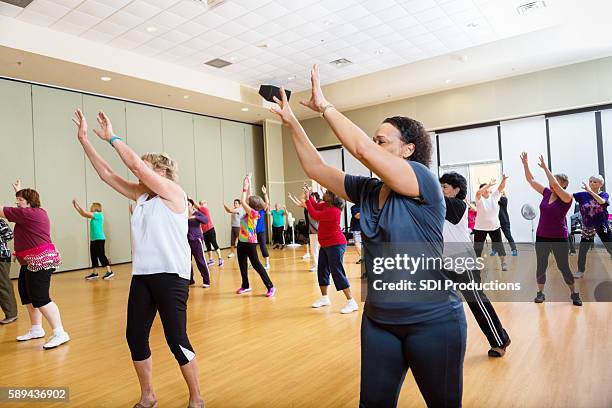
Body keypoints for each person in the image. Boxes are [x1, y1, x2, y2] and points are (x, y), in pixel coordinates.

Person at [271, 64, 466, 407]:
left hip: (434, 321)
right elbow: (316, 168)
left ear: (408, 150)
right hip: (379, 322)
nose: (372, 146)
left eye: (382, 141)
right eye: (373, 140)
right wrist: (291, 122)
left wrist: (325, 106)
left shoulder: (423, 182)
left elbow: (361, 149)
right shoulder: (366, 189)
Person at [73, 109, 203, 408]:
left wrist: (112, 138)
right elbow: (107, 174)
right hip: (143, 276)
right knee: (135, 336)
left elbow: (134, 166)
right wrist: (84, 141)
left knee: (176, 339)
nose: (137, 171)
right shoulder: (141, 197)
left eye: (145, 167)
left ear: (162, 172)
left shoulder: (174, 193)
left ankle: (196, 397)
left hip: (172, 276)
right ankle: (148, 395)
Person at [440, 172, 511, 357]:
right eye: (440, 186)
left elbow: (430, 198)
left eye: (444, 187)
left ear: (456, 190)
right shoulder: (440, 206)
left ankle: (500, 340)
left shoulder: (457, 205)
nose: (441, 190)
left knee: (476, 301)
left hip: (463, 260)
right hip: (445, 261)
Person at [0, 180, 68, 349]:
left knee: (41, 298)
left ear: (29, 202)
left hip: (41, 260)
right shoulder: (31, 212)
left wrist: (20, 197)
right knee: (27, 295)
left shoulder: (29, 213)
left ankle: (60, 332)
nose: (16, 203)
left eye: (20, 200)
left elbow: (1, 210)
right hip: (30, 261)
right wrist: (19, 192)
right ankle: (37, 329)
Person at [520, 152, 582, 306]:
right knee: (541, 265)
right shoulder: (546, 193)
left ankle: (574, 293)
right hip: (542, 236)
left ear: (564, 185)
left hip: (559, 237)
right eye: (554, 180)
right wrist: (525, 164)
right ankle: (540, 293)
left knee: (563, 266)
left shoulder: (567, 198)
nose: (553, 183)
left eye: (557, 181)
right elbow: (531, 180)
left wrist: (545, 168)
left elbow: (553, 184)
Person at [290, 187, 358, 314]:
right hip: (326, 244)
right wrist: (308, 195)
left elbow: (314, 214)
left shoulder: (334, 211)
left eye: (327, 193)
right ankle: (325, 298)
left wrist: (307, 200)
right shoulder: (325, 206)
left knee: (337, 272)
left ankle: (351, 302)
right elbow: (315, 205)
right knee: (322, 270)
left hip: (336, 244)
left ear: (333, 198)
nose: (324, 194)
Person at [235, 174, 275, 297]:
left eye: (249, 201)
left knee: (257, 265)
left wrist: (244, 187)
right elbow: (249, 198)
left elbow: (243, 200)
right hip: (242, 242)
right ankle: (245, 285)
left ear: (252, 205)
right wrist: (249, 181)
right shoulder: (250, 210)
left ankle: (270, 286)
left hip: (250, 243)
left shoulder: (254, 213)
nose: (248, 200)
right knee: (242, 265)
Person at [573, 175, 612, 278]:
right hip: (588, 227)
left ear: (601, 184)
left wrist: (590, 191)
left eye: (595, 182)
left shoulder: (604, 194)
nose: (592, 183)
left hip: (601, 225)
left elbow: (602, 202)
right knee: (583, 250)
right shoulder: (582, 195)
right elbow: (568, 196)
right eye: (590, 181)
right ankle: (580, 270)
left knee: (610, 246)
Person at [72, 200, 114, 280]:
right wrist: (76, 207)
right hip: (93, 239)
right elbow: (83, 214)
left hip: (99, 239)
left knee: (101, 255)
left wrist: (77, 203)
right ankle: (95, 273)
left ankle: (109, 271)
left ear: (95, 207)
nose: (91, 207)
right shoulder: (93, 216)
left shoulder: (98, 215)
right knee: (93, 256)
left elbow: (84, 212)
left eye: (92, 206)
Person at [473, 177, 509, 271]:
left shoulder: (494, 196)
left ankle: (503, 263)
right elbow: (478, 193)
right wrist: (488, 185)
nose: (486, 190)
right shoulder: (479, 199)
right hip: (480, 228)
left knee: (499, 246)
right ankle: (477, 264)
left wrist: (504, 179)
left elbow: (501, 187)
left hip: (494, 227)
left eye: (487, 188)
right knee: (478, 248)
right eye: (484, 189)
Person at [188, 199, 210, 288]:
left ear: (192, 205)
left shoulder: (197, 213)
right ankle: (190, 279)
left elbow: (206, 220)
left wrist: (195, 217)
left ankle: (206, 280)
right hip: (186, 241)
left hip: (197, 241)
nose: (186, 205)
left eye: (188, 204)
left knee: (200, 261)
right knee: (187, 262)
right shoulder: (181, 215)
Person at [0, 218, 17, 324]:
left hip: (1, 257)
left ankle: (11, 314)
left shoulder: (0, 222)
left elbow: (9, 235)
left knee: (3, 286)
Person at [299, 191, 320, 272]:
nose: (311, 198)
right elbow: (301, 199)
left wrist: (307, 192)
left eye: (313, 197)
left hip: (319, 230)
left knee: (321, 248)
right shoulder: (309, 206)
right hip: (312, 231)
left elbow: (302, 199)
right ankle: (316, 264)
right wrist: (306, 192)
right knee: (314, 248)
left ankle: (320, 264)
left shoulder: (318, 206)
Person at [198, 200, 223, 267]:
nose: (202, 204)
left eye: (203, 203)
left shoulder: (206, 210)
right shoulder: (199, 213)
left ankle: (220, 259)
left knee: (214, 244)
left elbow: (197, 206)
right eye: (200, 203)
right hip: (204, 231)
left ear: (206, 204)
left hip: (210, 230)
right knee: (208, 246)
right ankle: (211, 260)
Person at [492, 192, 518, 256]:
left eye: (501, 193)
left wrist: (497, 196)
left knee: (508, 235)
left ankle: (514, 249)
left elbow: (498, 200)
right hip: (495, 221)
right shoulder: (493, 201)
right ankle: (494, 250)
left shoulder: (504, 199)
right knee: (495, 237)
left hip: (504, 221)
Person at [256, 186, 271, 270]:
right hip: (253, 232)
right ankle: (253, 263)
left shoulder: (262, 210)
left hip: (261, 231)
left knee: (263, 247)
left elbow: (267, 203)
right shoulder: (252, 210)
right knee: (252, 248)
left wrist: (265, 193)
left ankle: (267, 263)